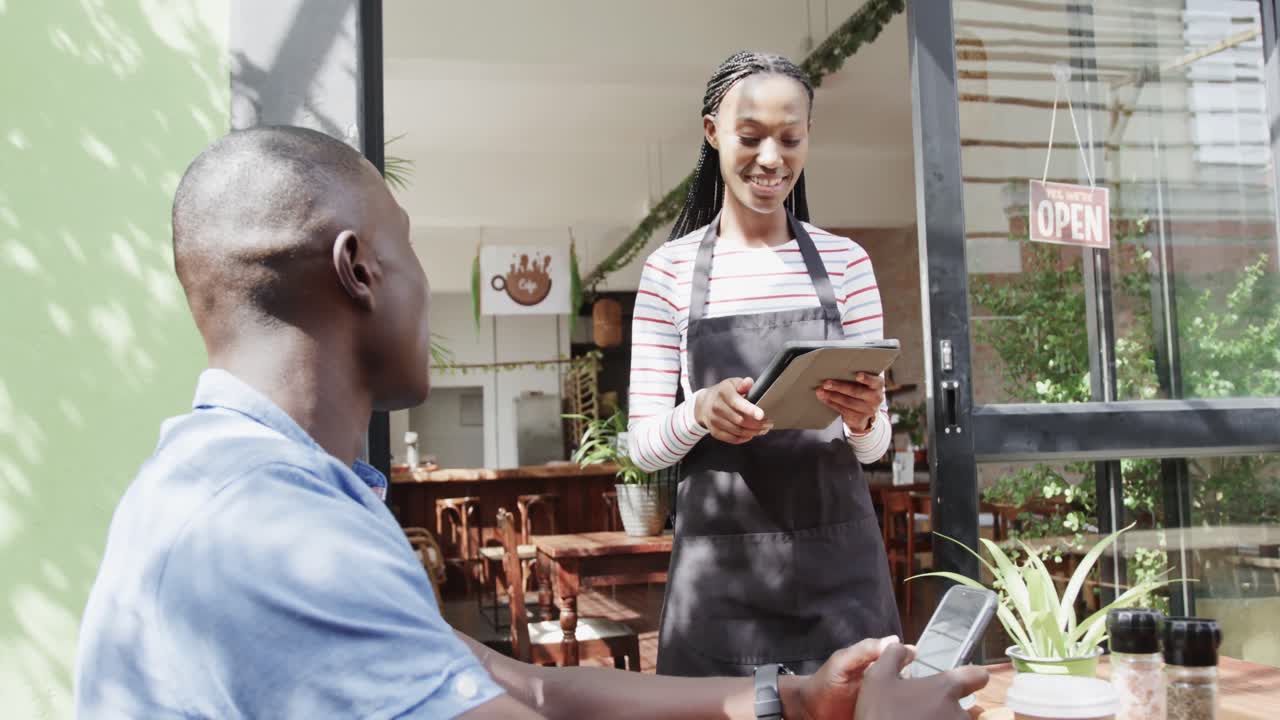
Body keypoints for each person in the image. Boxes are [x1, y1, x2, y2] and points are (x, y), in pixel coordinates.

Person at [73, 126, 985, 719]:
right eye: (410, 246)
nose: (424, 285)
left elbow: (533, 686)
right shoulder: (273, 535)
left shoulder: (261, 484)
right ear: (359, 269)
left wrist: (794, 699)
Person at [628, 51, 901, 677]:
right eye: (750, 138)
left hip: (840, 571)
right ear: (712, 134)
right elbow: (642, 447)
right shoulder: (669, 272)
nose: (771, 158)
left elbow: (874, 446)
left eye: (790, 138)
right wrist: (699, 412)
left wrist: (863, 421)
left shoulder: (847, 264)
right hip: (720, 584)